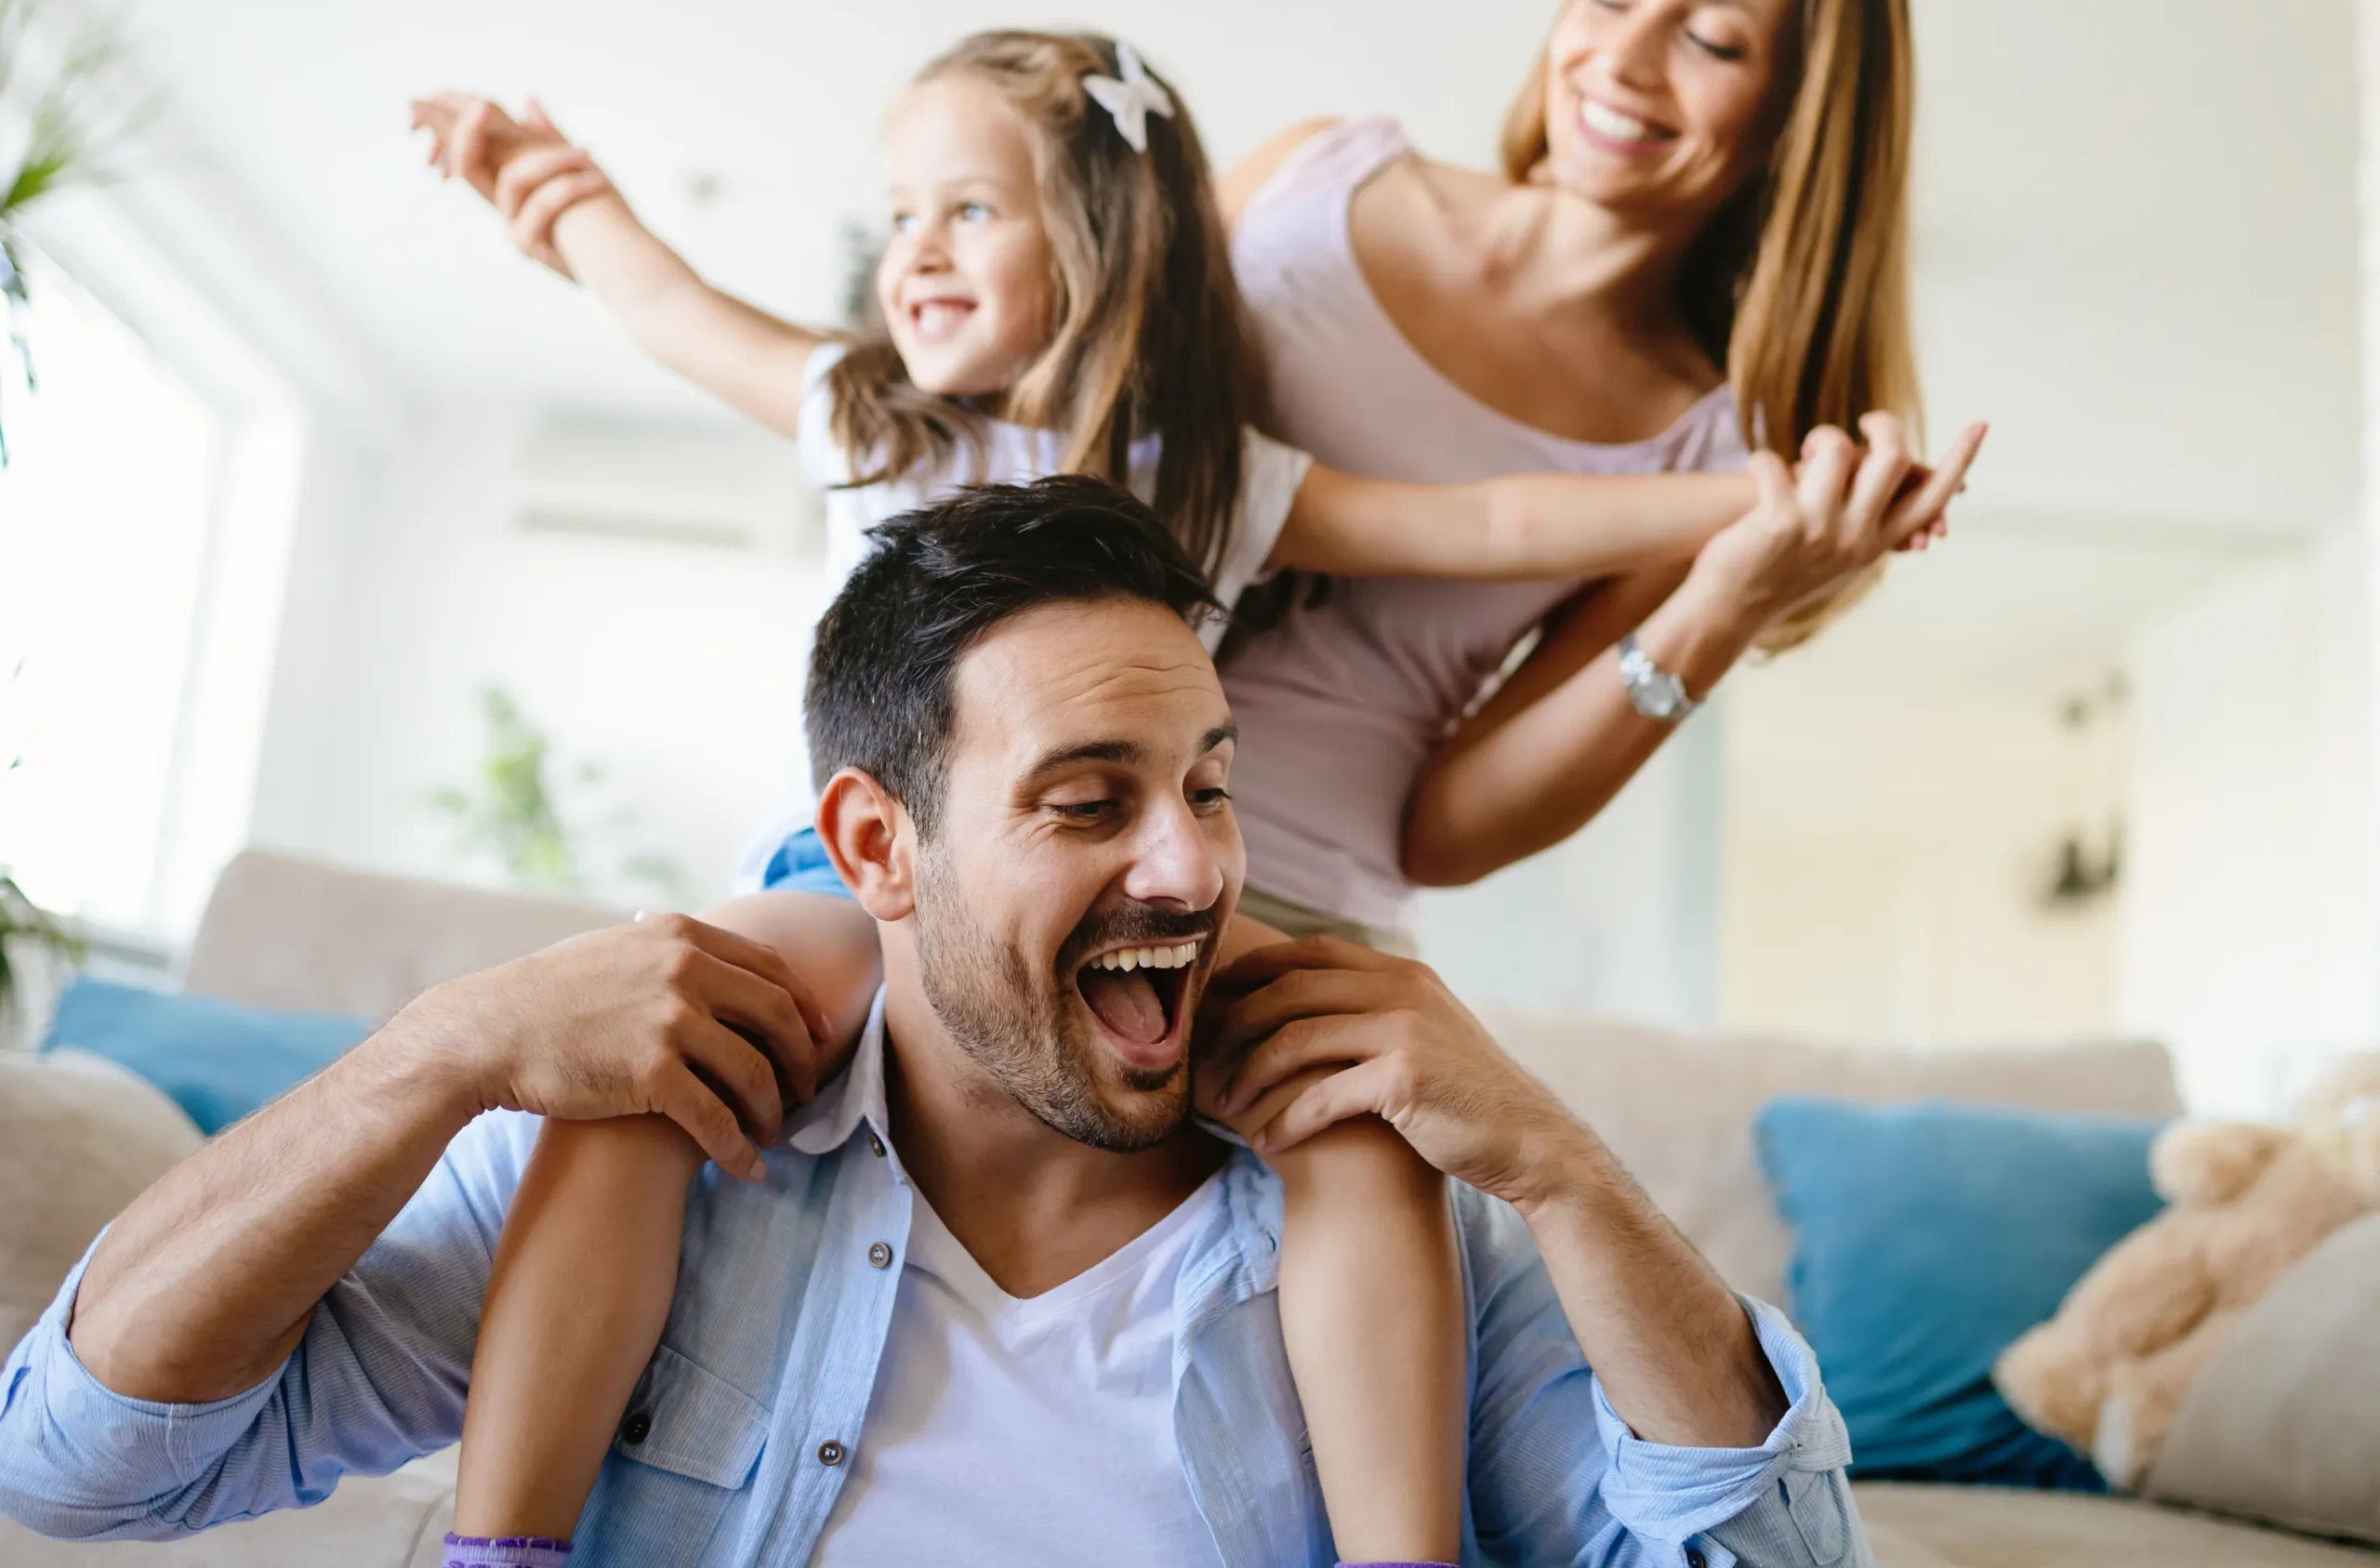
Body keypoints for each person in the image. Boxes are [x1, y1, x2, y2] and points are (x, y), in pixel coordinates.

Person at [406, 30, 1950, 1563]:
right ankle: (502, 1547)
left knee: (1358, 1131)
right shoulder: (868, 409)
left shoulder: (1216, 475)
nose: (914, 252)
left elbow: (1497, 521)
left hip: (1130, 925)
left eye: (968, 211)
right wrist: (563, 199)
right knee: (648, 1066)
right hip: (853, 897)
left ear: (1095, 243)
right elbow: (668, 306)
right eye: (901, 213)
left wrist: (1778, 502)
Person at [0, 477, 1870, 1567]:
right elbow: (79, 1464)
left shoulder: (1390, 1203)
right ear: (876, 847)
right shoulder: (673, 1148)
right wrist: (434, 1052)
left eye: (1209, 788)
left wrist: (1562, 1170)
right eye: (1089, 801)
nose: (1190, 867)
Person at [1212, 0, 1977, 942]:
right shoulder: (1307, 177)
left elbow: (1446, 836)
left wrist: (1724, 605)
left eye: (1710, 41)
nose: (1621, 61)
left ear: (1796, 117)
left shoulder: (1706, 451)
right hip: (1015, 817)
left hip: (1285, 912)